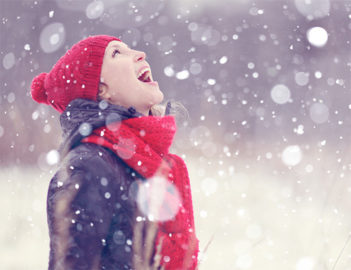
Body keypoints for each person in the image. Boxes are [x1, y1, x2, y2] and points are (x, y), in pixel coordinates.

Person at [30, 35, 199, 270]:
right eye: (117, 53)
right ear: (101, 91)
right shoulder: (89, 166)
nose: (140, 54)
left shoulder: (150, 161)